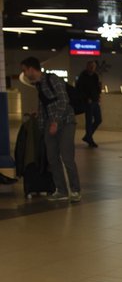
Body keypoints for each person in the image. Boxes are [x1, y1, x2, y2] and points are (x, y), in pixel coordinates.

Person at [20, 57, 82, 203]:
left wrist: (55, 121)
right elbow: (45, 105)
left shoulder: (53, 79)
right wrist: (40, 120)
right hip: (50, 124)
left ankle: (75, 190)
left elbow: (64, 100)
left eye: (24, 70)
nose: (24, 74)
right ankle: (61, 190)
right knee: (52, 158)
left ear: (31, 69)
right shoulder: (38, 85)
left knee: (67, 157)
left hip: (65, 122)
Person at [76, 60, 102, 147]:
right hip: (88, 102)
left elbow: (96, 87)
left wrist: (98, 96)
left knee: (98, 119)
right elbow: (79, 89)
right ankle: (89, 138)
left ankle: (88, 136)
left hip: (95, 100)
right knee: (89, 121)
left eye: (94, 67)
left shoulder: (95, 76)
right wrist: (86, 98)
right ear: (87, 66)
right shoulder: (83, 76)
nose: (92, 68)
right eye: (91, 66)